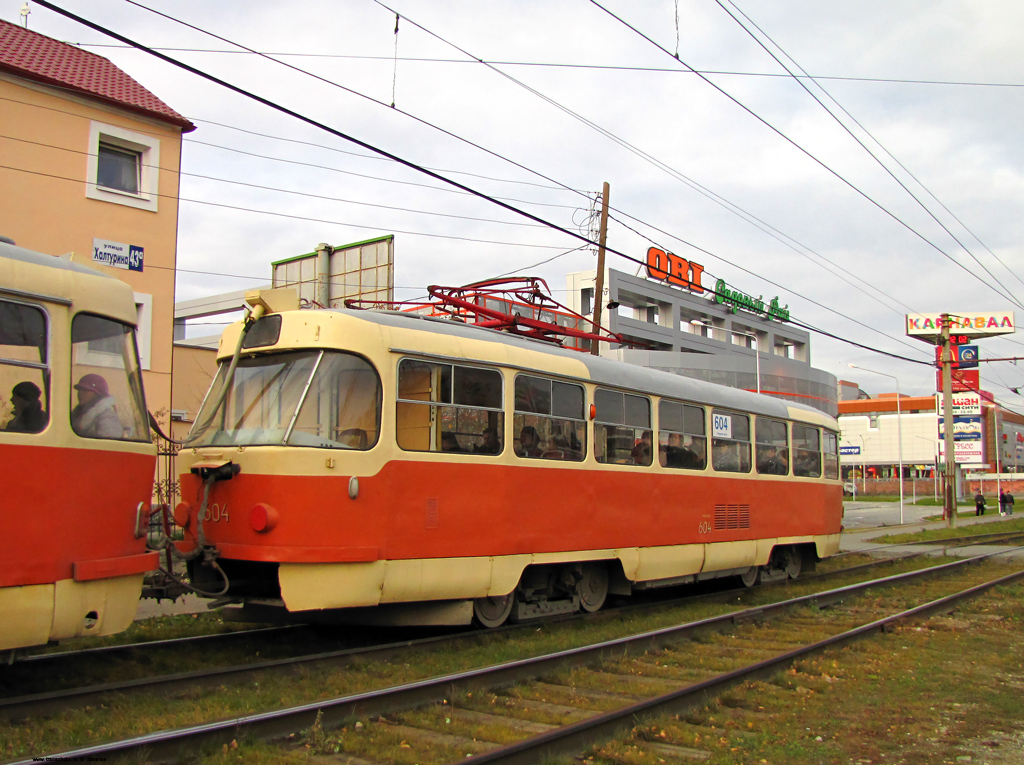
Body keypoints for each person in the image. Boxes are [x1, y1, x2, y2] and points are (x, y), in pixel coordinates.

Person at [71, 373, 122, 439]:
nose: (80, 393)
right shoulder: (79, 414)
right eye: (79, 390)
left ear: (97, 394)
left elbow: (108, 443)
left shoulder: (107, 417)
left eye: (85, 391)